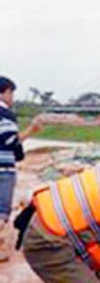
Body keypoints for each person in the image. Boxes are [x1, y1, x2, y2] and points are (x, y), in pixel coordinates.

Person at [0, 76, 43, 261]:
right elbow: (10, 141)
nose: (13, 98)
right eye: (11, 93)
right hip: (3, 168)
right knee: (2, 211)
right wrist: (31, 130)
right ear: (5, 92)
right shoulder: (6, 114)